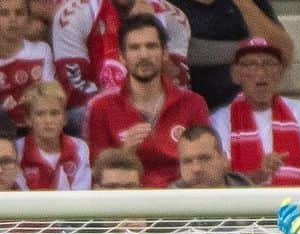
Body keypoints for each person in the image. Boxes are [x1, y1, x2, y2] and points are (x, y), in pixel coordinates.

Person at [84, 12, 209, 188]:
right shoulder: (101, 107)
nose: (143, 55)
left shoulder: (192, 103)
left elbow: (206, 163)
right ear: (121, 57)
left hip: (181, 204)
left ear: (165, 53)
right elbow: (97, 178)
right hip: (128, 204)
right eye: (135, 48)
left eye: (151, 46)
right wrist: (124, 153)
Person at [209, 36, 300, 187]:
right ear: (236, 74)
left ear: (280, 72)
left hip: (292, 204)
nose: (261, 72)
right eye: (251, 65)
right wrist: (261, 173)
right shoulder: (220, 119)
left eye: (269, 64)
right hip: (245, 205)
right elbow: (224, 178)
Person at [53, 0, 190, 112]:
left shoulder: (173, 18)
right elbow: (75, 90)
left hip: (153, 105)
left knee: (187, 110)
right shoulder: (74, 14)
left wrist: (151, 27)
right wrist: (122, 112)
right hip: (96, 107)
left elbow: (179, 86)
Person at [174, 0, 292, 111]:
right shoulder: (166, 5)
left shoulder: (251, 3)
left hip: (246, 109)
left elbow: (282, 53)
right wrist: (246, 48)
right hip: (186, 110)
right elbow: (180, 52)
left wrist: (245, 4)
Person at [16, 80, 91, 190]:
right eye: (40, 114)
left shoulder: (80, 148)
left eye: (54, 113)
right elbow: (20, 197)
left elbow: (82, 194)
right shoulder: (17, 150)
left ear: (65, 118)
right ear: (28, 119)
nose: (48, 121)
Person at [0, 0, 55, 130]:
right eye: (4, 13)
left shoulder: (42, 50)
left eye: (19, 13)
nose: (12, 19)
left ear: (28, 18)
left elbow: (49, 92)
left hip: (36, 126)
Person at [173, 122, 250, 187]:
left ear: (224, 159)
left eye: (204, 159)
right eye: (187, 161)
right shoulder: (166, 203)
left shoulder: (253, 197)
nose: (196, 169)